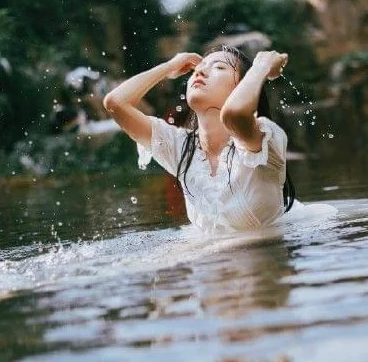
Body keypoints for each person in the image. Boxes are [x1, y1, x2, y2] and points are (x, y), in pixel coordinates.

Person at [103, 44, 333, 232]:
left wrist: (260, 67)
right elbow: (115, 104)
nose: (200, 72)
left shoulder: (262, 138)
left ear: (243, 85)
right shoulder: (182, 148)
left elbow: (235, 115)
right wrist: (170, 66)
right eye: (197, 69)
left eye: (219, 67)